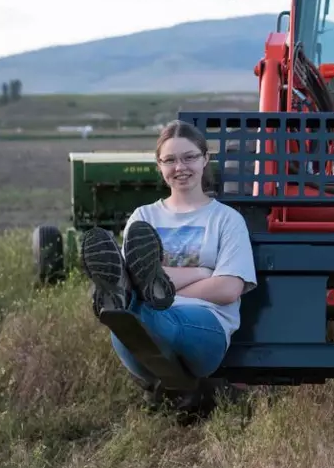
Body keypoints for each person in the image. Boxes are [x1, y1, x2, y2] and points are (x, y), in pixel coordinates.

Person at [78, 119, 258, 401]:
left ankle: (129, 299)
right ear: (159, 165)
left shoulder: (226, 219)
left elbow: (227, 289)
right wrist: (202, 271)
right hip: (142, 339)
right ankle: (121, 299)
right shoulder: (143, 218)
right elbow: (136, 283)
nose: (180, 168)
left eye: (189, 158)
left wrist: (160, 287)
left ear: (205, 159)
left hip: (204, 330)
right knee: (128, 313)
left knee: (140, 312)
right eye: (170, 160)